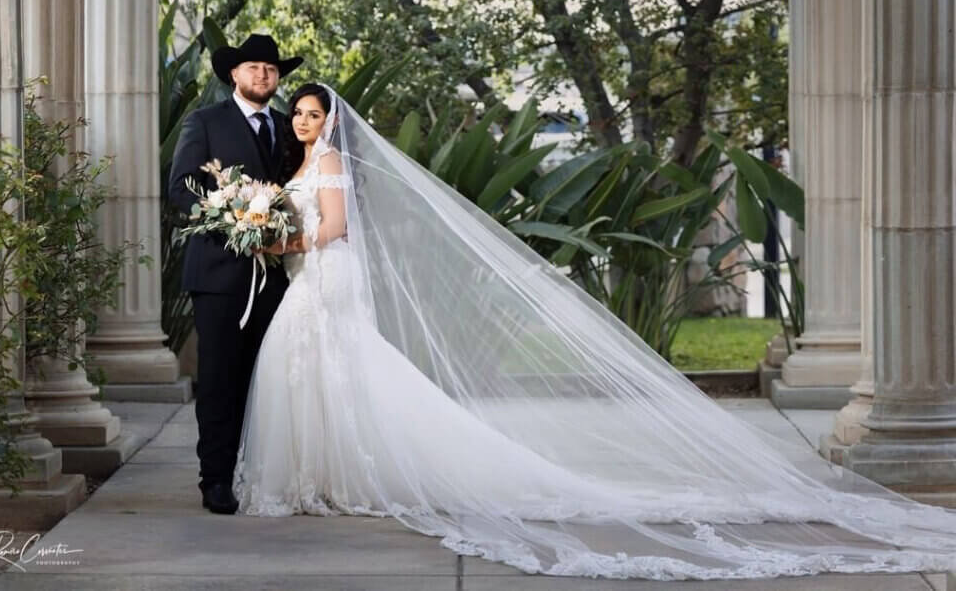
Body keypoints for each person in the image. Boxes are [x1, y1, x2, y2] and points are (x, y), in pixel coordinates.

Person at [232, 83, 956, 580]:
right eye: (296, 113)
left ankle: (335, 474)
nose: (302, 120)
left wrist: (274, 245)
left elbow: (333, 228)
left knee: (333, 367)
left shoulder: (327, 162)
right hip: (312, 279)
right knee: (325, 373)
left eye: (311, 112)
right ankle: (323, 475)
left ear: (330, 121)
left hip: (326, 275)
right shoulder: (300, 162)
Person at [167, 33, 303, 515]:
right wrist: (233, 220)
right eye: (253, 68)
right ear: (234, 75)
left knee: (266, 380)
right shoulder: (204, 122)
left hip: (279, 277)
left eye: (270, 68)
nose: (263, 75)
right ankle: (216, 480)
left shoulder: (291, 127)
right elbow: (181, 190)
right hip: (220, 276)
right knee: (220, 379)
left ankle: (259, 472)